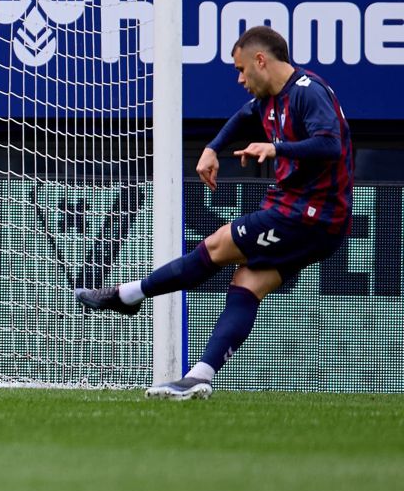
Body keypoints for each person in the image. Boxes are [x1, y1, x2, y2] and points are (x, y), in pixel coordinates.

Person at [80, 25, 352, 399]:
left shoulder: (308, 93)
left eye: (242, 69)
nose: (240, 79)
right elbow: (244, 116)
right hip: (307, 216)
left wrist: (276, 149)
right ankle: (200, 375)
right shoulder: (270, 97)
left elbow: (329, 145)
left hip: (308, 214)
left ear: (261, 60)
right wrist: (212, 148)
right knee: (247, 283)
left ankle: (128, 295)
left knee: (217, 246)